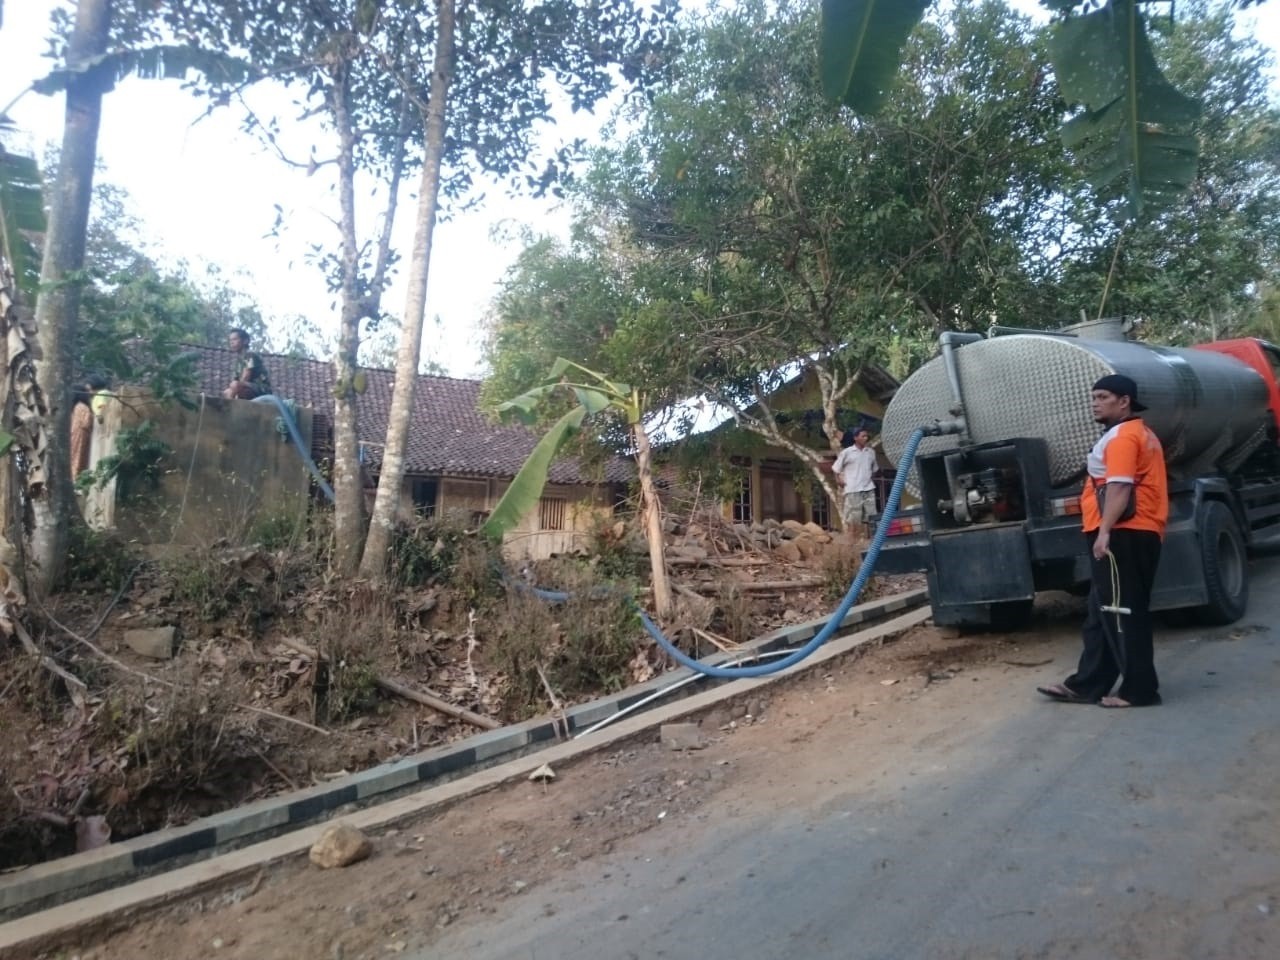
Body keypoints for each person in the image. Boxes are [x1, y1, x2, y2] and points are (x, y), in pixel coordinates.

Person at [1038, 373, 1168, 709]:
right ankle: (1087, 684)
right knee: (1102, 612)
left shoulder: (1124, 437)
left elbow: (1120, 487)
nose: (1095, 402)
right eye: (1094, 396)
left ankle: (1140, 690)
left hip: (1124, 533)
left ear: (1124, 401)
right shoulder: (1137, 433)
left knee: (1124, 612)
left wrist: (1105, 531)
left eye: (1103, 396)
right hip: (1135, 530)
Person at [832, 427, 878, 536]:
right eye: (863, 436)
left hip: (868, 488)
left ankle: (871, 540)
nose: (865, 438)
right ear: (856, 438)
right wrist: (838, 480)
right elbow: (835, 469)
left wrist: (869, 478)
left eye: (866, 436)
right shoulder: (847, 452)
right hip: (853, 489)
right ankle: (853, 542)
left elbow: (875, 469)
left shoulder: (871, 452)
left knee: (872, 516)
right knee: (854, 518)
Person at [70, 375, 108, 479]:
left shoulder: (74, 408)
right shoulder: (82, 407)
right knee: (79, 461)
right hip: (81, 438)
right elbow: (87, 423)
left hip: (73, 438)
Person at [223, 328, 273, 400]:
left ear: (245, 341)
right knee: (227, 392)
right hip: (249, 388)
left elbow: (246, 377)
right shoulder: (238, 362)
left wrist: (235, 388)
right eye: (230, 340)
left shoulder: (250, 355)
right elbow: (236, 379)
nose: (232, 342)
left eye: (235, 339)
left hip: (261, 389)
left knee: (235, 385)